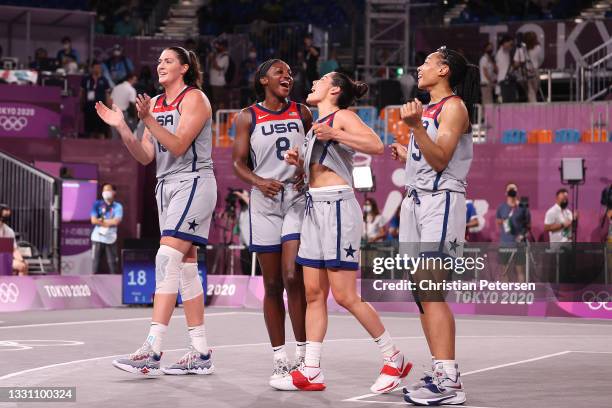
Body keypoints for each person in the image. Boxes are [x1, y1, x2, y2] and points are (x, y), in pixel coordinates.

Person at [273, 72, 411, 393]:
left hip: (336, 207)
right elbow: (321, 167)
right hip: (313, 206)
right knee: (313, 293)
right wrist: (299, 163)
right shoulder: (315, 128)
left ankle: (394, 357)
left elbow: (376, 145)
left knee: (345, 295)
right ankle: (311, 369)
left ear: (334, 90)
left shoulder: (342, 117)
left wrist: (334, 132)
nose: (313, 83)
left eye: (320, 80)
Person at [96, 46, 217, 376]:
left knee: (166, 259)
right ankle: (201, 352)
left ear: (184, 68)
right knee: (186, 268)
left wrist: (146, 118)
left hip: (193, 181)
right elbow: (146, 155)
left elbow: (178, 146)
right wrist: (123, 126)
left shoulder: (194, 99)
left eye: (168, 61)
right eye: (159, 61)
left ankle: (152, 348)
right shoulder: (156, 104)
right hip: (165, 186)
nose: (160, 65)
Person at [390, 46, 479, 405]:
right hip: (417, 201)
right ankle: (439, 372)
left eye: (427, 62)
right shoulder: (429, 109)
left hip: (440, 202)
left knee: (430, 290)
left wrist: (413, 127)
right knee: (420, 293)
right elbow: (429, 154)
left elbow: (441, 158)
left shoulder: (454, 107)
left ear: (443, 70)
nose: (419, 67)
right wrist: (407, 150)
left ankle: (450, 382)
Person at [233, 59, 312, 386]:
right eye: (280, 72)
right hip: (264, 204)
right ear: (264, 79)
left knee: (293, 276)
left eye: (290, 73)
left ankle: (306, 356)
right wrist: (258, 180)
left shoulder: (303, 112)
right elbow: (237, 162)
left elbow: (314, 153)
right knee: (271, 285)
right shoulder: (246, 116)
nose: (287, 77)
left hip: (294, 200)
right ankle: (280, 359)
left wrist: (304, 172)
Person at [496, 182, 530, 282]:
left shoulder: (523, 207)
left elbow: (528, 225)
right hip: (505, 244)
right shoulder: (501, 207)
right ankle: (504, 294)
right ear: (506, 193)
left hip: (519, 245)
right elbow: (498, 221)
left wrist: (522, 235)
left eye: (514, 189)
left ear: (517, 192)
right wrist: (505, 221)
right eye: (510, 189)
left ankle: (522, 294)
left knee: (520, 271)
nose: (512, 191)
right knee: (504, 271)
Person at [90, 184, 123, 274]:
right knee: (95, 265)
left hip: (110, 238)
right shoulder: (97, 204)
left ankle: (114, 286)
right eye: (104, 190)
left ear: (113, 192)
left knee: (113, 264)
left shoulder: (118, 206)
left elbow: (116, 221)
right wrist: (108, 222)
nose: (105, 192)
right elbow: (93, 220)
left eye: (108, 190)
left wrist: (101, 221)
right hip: (97, 238)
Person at [81, 61, 112, 139]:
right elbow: (82, 93)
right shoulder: (86, 79)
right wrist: (81, 104)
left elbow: (107, 95)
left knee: (101, 132)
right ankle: (90, 149)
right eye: (96, 67)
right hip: (89, 108)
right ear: (92, 68)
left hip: (101, 109)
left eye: (99, 68)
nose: (98, 69)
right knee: (90, 131)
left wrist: (109, 108)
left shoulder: (104, 80)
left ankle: (102, 149)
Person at [513, 32, 543, 103]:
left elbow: (516, 62)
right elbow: (540, 59)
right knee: (532, 92)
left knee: (530, 92)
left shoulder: (521, 49)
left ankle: (531, 105)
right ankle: (532, 104)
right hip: (533, 71)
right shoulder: (538, 48)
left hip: (527, 71)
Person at [0, 204, 27, 276]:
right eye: (4, 215)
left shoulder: (9, 231)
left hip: (4, 259)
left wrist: (21, 260)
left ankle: (20, 286)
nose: (7, 216)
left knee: (23, 266)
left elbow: (13, 249)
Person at [208, 39, 229, 110]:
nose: (218, 47)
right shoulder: (218, 55)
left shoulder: (225, 56)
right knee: (214, 100)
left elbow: (218, 67)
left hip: (219, 83)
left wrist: (212, 58)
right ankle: (216, 115)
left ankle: (220, 116)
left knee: (219, 101)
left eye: (220, 46)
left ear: (224, 47)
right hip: (213, 81)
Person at [495, 35, 514, 102]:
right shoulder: (501, 51)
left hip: (507, 77)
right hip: (502, 79)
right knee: (503, 98)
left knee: (508, 98)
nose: (511, 45)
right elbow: (505, 46)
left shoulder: (507, 52)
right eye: (510, 43)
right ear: (504, 43)